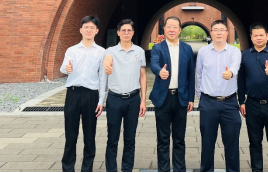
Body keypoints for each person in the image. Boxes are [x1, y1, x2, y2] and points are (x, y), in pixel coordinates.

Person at [60, 16, 107, 173]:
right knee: (70, 135)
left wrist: (101, 100)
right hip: (73, 94)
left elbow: (103, 77)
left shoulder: (101, 52)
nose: (89, 30)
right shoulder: (72, 50)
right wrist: (66, 69)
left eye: (92, 27)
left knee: (90, 135)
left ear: (97, 31)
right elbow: (63, 67)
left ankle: (87, 168)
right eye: (86, 27)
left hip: (91, 96)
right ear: (80, 30)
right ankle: (68, 168)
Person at [149, 16, 195, 172]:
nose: (172, 30)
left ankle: (179, 169)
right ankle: (163, 169)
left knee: (179, 138)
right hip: (163, 98)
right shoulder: (157, 48)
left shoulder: (187, 49)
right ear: (164, 29)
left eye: (175, 27)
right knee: (163, 139)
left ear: (180, 30)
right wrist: (159, 71)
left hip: (181, 98)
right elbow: (154, 63)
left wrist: (191, 98)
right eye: (169, 26)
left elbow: (190, 75)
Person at [196, 20, 242, 173]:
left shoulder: (234, 51)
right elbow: (199, 75)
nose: (219, 32)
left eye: (222, 29)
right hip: (208, 102)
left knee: (232, 142)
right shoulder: (203, 52)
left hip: (230, 103)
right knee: (207, 142)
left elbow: (235, 65)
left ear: (227, 33)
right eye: (215, 30)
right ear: (211, 33)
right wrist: (201, 97)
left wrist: (231, 73)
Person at [103, 19, 147, 173]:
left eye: (129, 30)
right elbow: (107, 62)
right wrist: (107, 67)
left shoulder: (139, 51)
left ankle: (127, 169)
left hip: (133, 99)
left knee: (130, 139)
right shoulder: (110, 51)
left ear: (133, 33)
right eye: (123, 30)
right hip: (114, 99)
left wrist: (143, 100)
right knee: (112, 139)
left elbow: (143, 76)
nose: (126, 33)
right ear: (118, 33)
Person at [238, 23, 268, 173]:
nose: (259, 38)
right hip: (252, 104)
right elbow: (241, 80)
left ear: (267, 36)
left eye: (261, 35)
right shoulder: (244, 55)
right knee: (254, 141)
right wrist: (241, 101)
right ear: (251, 37)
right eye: (255, 35)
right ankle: (256, 169)